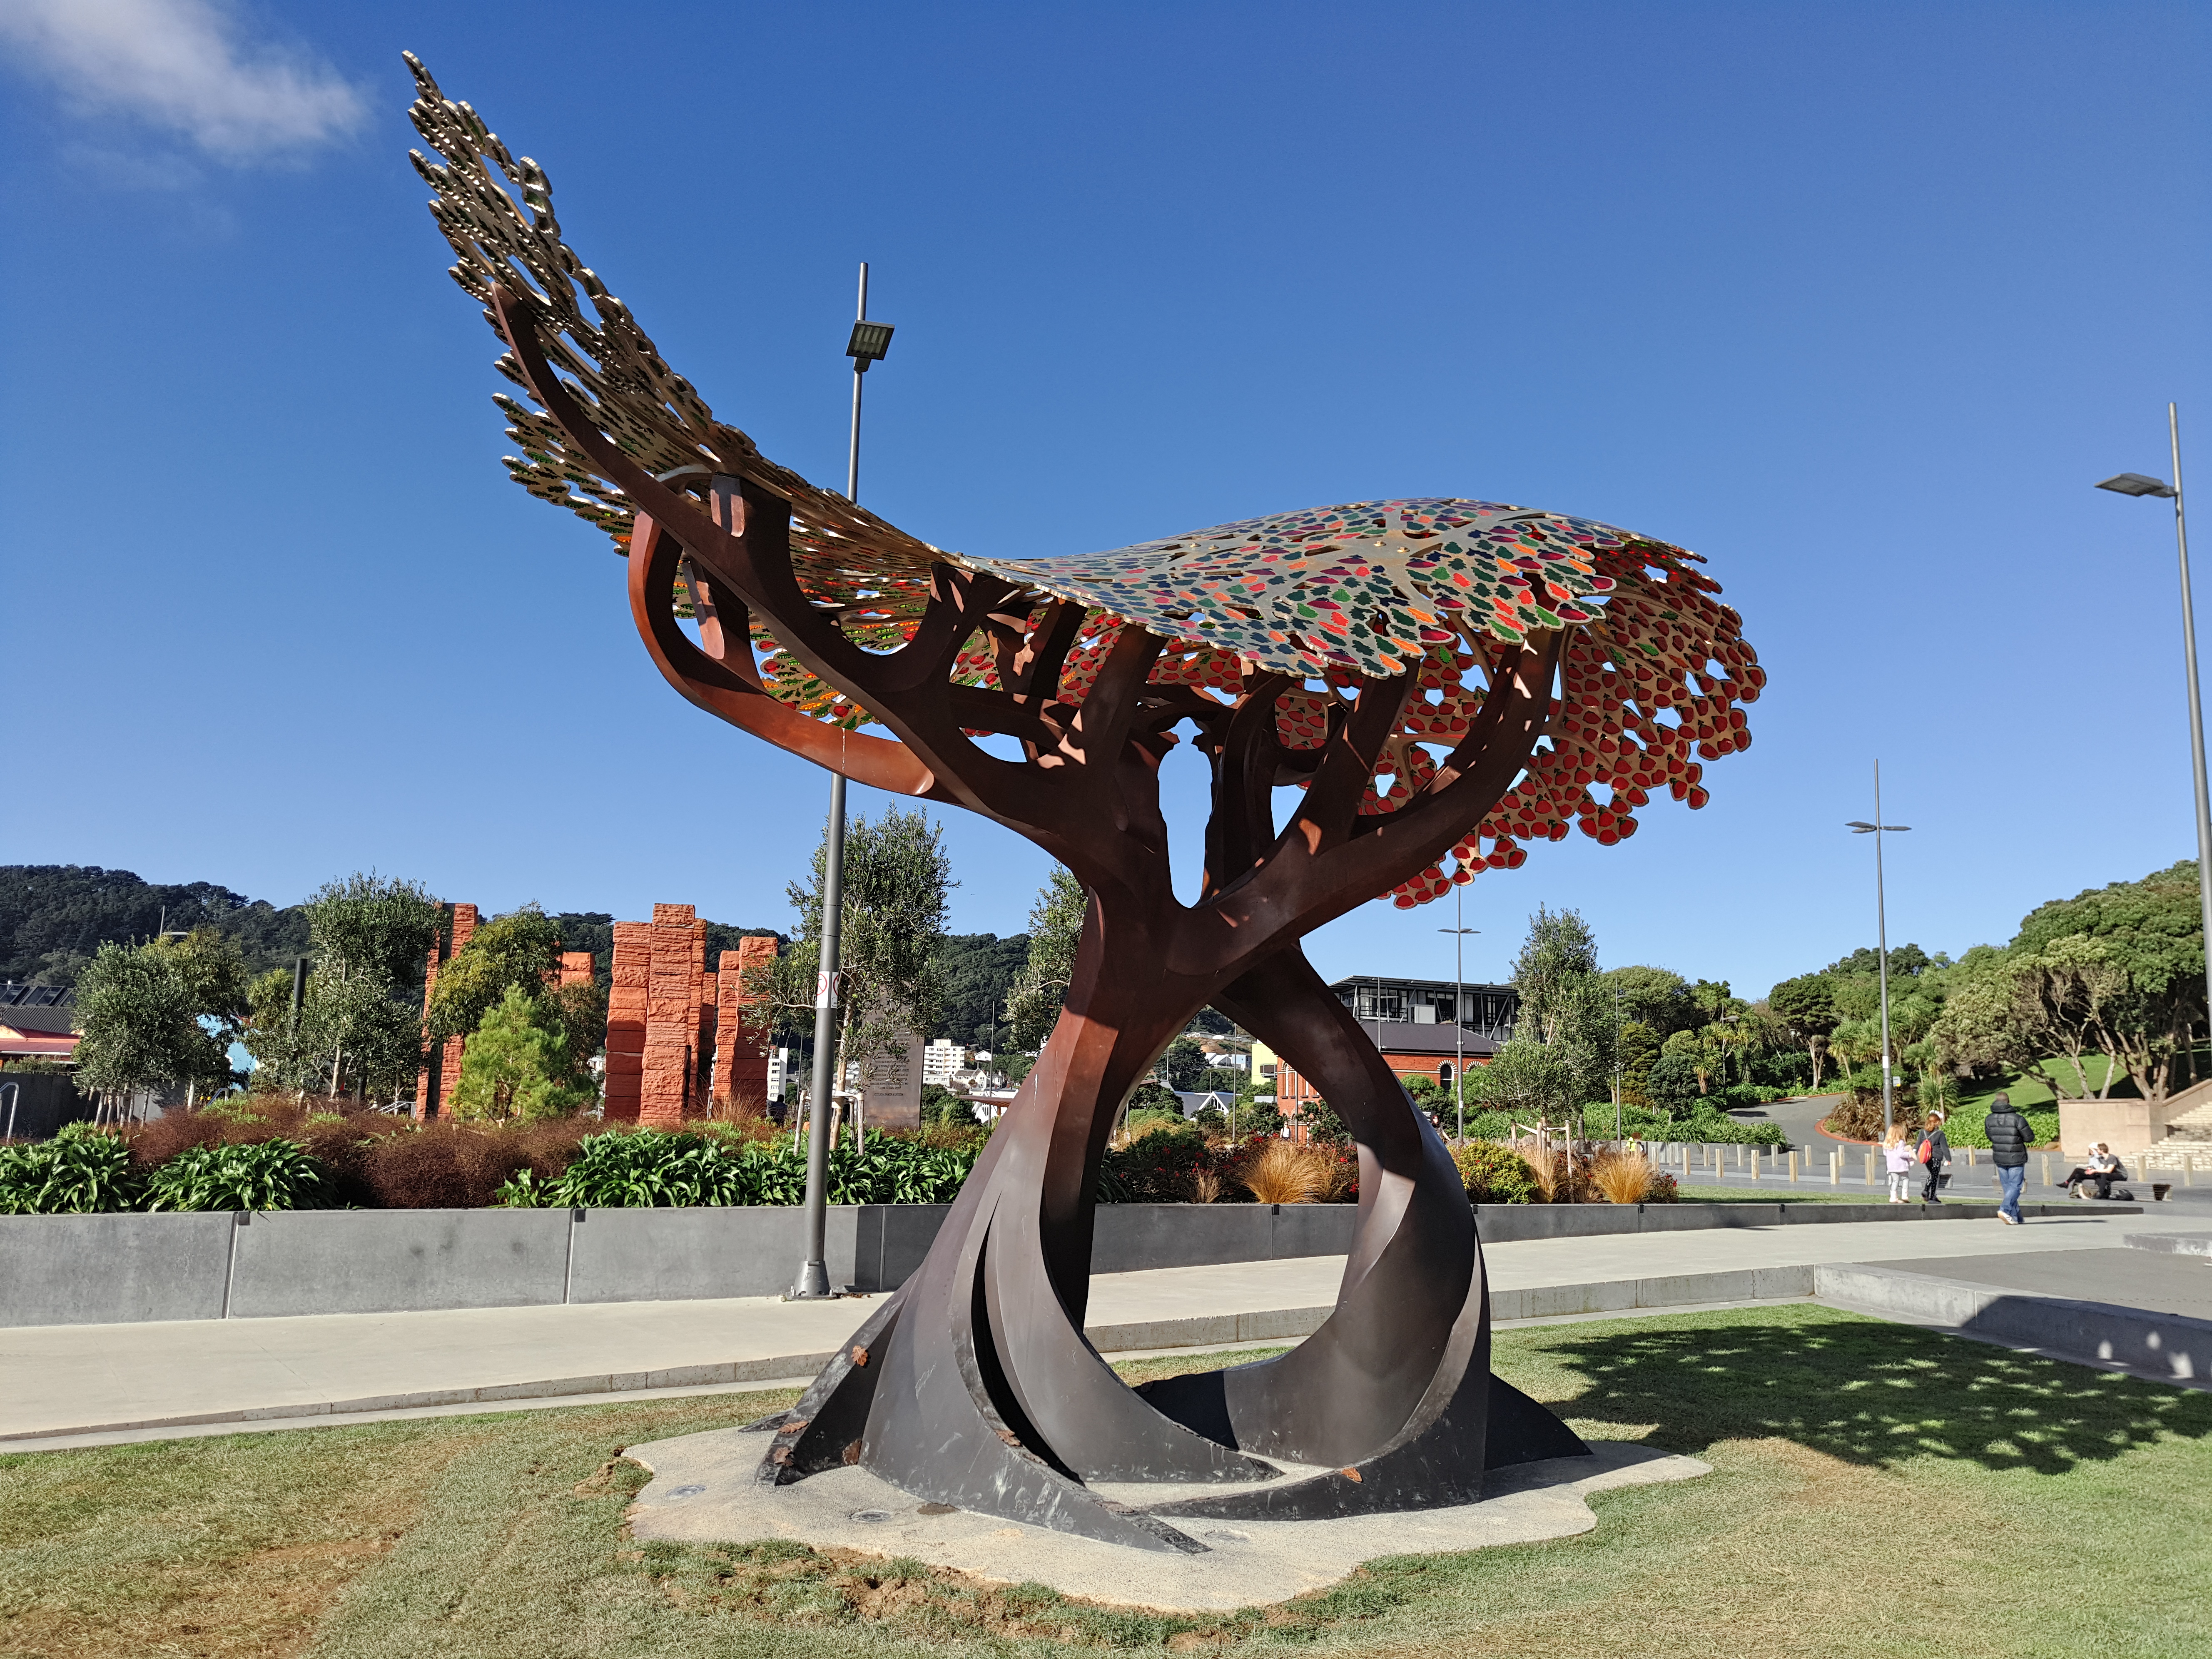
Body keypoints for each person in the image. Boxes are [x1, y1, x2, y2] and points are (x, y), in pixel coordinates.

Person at [1982, 1091, 2034, 1225]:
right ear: (2008, 1101)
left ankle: (2016, 1216)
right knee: (2016, 1186)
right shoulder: (2017, 1119)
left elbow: (1990, 1137)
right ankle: (2005, 1209)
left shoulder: (1989, 1119)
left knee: (2008, 1188)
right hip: (2016, 1157)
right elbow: (2029, 1138)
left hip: (1999, 1157)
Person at [2058, 1143, 2122, 1200]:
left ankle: (2067, 1183)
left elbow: (2106, 1170)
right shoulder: (2096, 1158)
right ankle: (2076, 1192)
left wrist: (2092, 1149)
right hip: (2095, 1172)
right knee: (2078, 1175)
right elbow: (2096, 1167)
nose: (2094, 1151)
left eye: (2097, 1150)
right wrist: (2090, 1170)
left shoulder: (2103, 1157)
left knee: (2077, 1170)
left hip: (2105, 1174)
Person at [1916, 1112, 1951, 1203]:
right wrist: (1949, 1159)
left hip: (1927, 1157)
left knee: (1932, 1173)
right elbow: (1944, 1147)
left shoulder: (1922, 1133)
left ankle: (1927, 1191)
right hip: (1936, 1156)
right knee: (1935, 1176)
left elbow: (1917, 1145)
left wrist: (1913, 1154)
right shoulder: (1940, 1134)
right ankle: (1932, 1196)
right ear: (1936, 1122)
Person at [1881, 1124, 1915, 1203]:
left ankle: (1893, 1197)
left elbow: (1885, 1153)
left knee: (1895, 1181)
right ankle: (1905, 1195)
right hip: (1901, 1165)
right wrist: (1910, 1155)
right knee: (1905, 1179)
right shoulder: (1901, 1142)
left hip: (1891, 1167)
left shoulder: (1887, 1143)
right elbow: (1901, 1154)